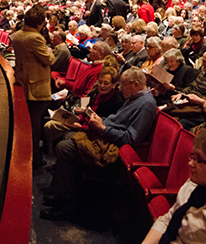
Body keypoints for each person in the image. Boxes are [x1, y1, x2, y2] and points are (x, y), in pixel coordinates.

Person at [41, 67, 157, 220]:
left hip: (114, 148)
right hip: (107, 137)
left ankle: (65, 205)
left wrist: (103, 128)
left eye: (124, 84)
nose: (121, 89)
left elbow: (131, 138)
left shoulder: (146, 104)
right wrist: (100, 122)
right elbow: (117, 120)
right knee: (67, 136)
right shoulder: (136, 98)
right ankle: (62, 192)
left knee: (64, 147)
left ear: (136, 84)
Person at [11, 3, 56, 168]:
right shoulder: (36, 38)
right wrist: (50, 50)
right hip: (36, 86)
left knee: (27, 122)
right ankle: (35, 159)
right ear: (39, 23)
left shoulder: (16, 35)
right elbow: (49, 60)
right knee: (34, 125)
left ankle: (25, 154)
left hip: (22, 81)